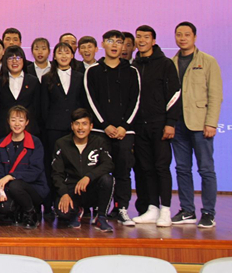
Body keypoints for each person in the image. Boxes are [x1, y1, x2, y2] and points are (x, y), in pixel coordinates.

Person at [84, 30, 140, 226]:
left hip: (125, 132)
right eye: (110, 41)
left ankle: (121, 208)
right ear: (103, 44)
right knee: (98, 172)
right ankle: (99, 211)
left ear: (124, 46)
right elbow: (91, 100)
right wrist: (105, 125)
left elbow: (135, 100)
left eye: (119, 42)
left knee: (123, 171)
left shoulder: (132, 71)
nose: (114, 45)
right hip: (100, 132)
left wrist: (124, 126)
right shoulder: (93, 71)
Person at [171, 21, 222, 229]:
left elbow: (215, 95)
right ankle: (187, 210)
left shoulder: (208, 61)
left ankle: (208, 212)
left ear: (195, 37)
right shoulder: (171, 63)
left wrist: (211, 122)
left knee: (206, 169)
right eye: (179, 34)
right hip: (178, 124)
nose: (182, 38)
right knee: (182, 169)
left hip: (201, 124)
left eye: (187, 34)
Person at [132, 25, 181, 228]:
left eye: (146, 37)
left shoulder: (165, 64)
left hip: (160, 124)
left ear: (153, 41)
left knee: (161, 167)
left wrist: (170, 123)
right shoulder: (134, 65)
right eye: (139, 37)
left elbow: (175, 94)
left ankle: (166, 209)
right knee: (146, 168)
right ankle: (152, 208)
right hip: (139, 125)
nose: (141, 40)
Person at [39, 42, 86, 220]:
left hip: (75, 129)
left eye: (67, 52)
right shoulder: (47, 78)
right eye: (60, 53)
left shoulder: (80, 76)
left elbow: (83, 102)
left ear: (73, 55)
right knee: (53, 166)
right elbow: (44, 107)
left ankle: (75, 204)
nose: (64, 56)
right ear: (55, 56)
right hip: (53, 128)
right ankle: (50, 205)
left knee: (73, 165)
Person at [52, 109, 115, 233]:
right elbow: (56, 173)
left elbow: (108, 164)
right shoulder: (61, 144)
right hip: (72, 190)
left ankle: (101, 217)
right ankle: (77, 211)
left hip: (92, 187)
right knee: (62, 213)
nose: (80, 128)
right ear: (72, 126)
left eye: (84, 124)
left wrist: (89, 176)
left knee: (108, 179)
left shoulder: (99, 142)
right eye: (77, 124)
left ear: (91, 126)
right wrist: (64, 193)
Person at [0, 106, 49, 229]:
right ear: (8, 121)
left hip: (34, 188)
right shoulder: (1, 144)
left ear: (27, 122)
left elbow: (36, 171)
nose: (17, 124)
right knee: (4, 207)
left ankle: (31, 213)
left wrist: (11, 176)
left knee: (15, 185)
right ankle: (17, 211)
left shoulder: (35, 142)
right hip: (9, 188)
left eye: (21, 120)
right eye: (13, 120)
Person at [0, 45, 41, 143]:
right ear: (5, 61)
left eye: (18, 58)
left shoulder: (33, 81)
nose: (14, 61)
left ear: (23, 60)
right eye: (10, 58)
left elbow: (37, 108)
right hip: (3, 130)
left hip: (28, 130)